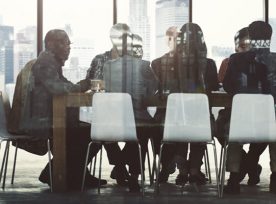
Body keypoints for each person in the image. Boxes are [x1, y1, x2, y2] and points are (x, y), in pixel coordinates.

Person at [8, 29, 106, 190]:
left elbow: (66, 86)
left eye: (69, 43)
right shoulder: (46, 63)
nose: (69, 47)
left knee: (89, 132)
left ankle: (76, 174)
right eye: (65, 43)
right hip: (42, 122)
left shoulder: (49, 63)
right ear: (51, 44)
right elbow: (59, 88)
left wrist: (85, 83)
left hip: (48, 119)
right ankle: (57, 172)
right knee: (93, 133)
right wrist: (86, 84)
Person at [152, 24, 219, 186]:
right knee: (196, 121)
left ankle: (180, 168)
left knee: (178, 121)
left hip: (171, 122)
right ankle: (194, 170)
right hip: (202, 124)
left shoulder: (160, 63)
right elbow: (214, 87)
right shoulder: (209, 65)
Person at [103, 29, 158, 192]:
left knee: (106, 135)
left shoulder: (108, 66)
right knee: (142, 132)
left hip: (112, 119)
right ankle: (133, 175)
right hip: (137, 118)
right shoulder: (143, 65)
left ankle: (119, 167)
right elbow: (152, 90)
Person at [223, 21, 271, 194]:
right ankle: (273, 178)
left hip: (241, 119)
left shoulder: (236, 59)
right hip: (268, 121)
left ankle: (234, 179)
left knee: (234, 134)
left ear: (250, 38)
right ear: (270, 38)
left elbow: (228, 86)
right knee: (272, 133)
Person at [85, 23, 133, 186]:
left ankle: (119, 167)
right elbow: (91, 85)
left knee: (137, 131)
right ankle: (120, 167)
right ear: (112, 38)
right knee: (105, 129)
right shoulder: (100, 59)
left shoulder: (134, 61)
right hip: (104, 110)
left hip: (126, 111)